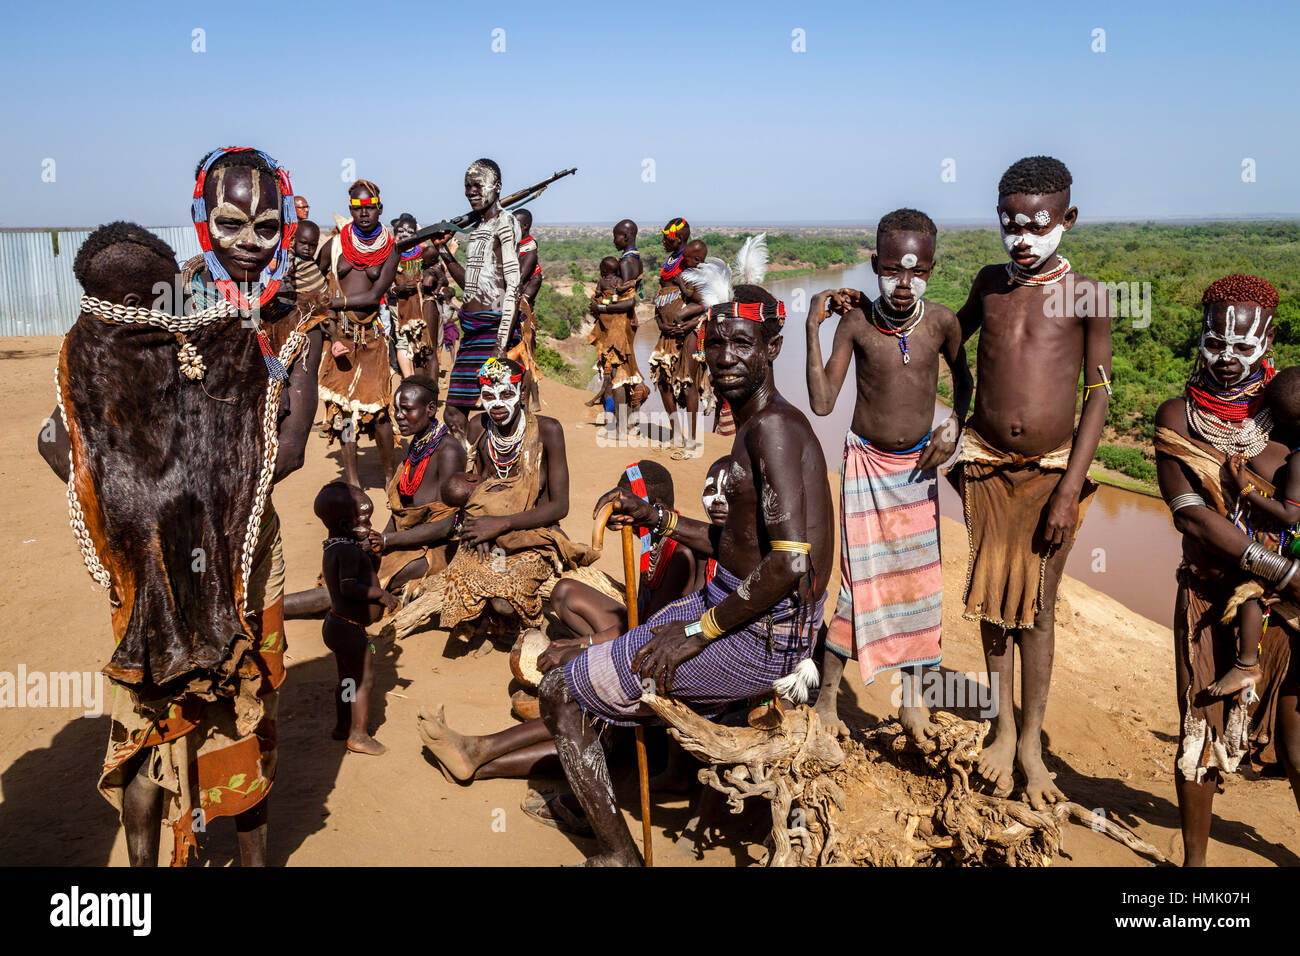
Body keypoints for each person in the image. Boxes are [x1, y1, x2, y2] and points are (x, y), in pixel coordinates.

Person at [37, 146, 323, 867]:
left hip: (249, 549)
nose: (250, 245)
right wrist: (127, 499)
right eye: (232, 224)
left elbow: (285, 453)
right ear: (203, 220)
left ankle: (250, 859)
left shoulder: (299, 320)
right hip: (157, 549)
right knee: (156, 704)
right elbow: (66, 434)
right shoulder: (163, 299)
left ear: (287, 221)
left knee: (251, 698)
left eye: (267, 226)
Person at [537, 282, 834, 865]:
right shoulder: (757, 424)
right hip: (737, 605)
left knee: (560, 693)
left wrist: (700, 632)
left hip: (761, 637)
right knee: (619, 651)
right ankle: (598, 791)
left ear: (773, 348)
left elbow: (789, 561)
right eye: (716, 343)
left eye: (742, 344)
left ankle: (621, 855)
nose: (724, 357)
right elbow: (740, 544)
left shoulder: (773, 428)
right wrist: (660, 517)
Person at [951, 156, 1111, 809]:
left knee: (1038, 608)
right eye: (1009, 223)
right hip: (984, 463)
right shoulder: (990, 282)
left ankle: (1033, 746)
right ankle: (1000, 727)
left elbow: (1099, 393)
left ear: (1066, 220)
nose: (1021, 236)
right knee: (993, 601)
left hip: (1051, 474)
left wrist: (1072, 487)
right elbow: (945, 338)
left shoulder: (1087, 295)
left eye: (1037, 225)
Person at [415, 459, 722, 792]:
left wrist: (585, 646)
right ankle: (476, 753)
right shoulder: (657, 545)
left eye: (621, 501)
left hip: (664, 662)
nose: (614, 509)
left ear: (649, 505)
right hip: (649, 645)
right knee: (578, 681)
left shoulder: (681, 555)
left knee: (582, 703)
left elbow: (649, 633)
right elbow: (644, 621)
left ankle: (480, 755)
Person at [804, 208, 974, 745]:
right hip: (866, 470)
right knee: (859, 590)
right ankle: (829, 697)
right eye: (893, 271)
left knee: (921, 589)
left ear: (931, 268)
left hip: (919, 470)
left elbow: (966, 384)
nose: (904, 284)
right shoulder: (856, 324)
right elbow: (822, 402)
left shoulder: (943, 323)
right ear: (874, 262)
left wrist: (953, 429)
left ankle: (913, 702)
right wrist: (813, 326)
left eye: (917, 271)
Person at [1154, 273, 1300, 865]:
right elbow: (1191, 517)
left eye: (1243, 346)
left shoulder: (1289, 415)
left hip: (1289, 612)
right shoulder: (1178, 418)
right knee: (1200, 728)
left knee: (1296, 738)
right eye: (1217, 341)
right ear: (1201, 337)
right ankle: (1194, 871)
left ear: (1267, 341)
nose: (1227, 357)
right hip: (1209, 598)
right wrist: (1282, 571)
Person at [437, 357, 595, 646]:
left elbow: (560, 506)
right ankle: (491, 625)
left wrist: (500, 524)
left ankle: (523, 627)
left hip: (535, 534)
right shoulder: (478, 427)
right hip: (488, 530)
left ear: (522, 393)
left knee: (503, 599)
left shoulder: (548, 431)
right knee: (465, 576)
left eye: (506, 394)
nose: (497, 404)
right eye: (488, 396)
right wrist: (476, 526)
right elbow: (472, 492)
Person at [283, 374, 464, 618]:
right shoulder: (419, 443)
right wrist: (377, 541)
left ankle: (267, 612)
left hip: (432, 549)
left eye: (407, 409)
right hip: (403, 540)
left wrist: (387, 542)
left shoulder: (448, 451)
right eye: (396, 409)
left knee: (351, 583)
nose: (399, 416)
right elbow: (401, 512)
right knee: (347, 560)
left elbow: (445, 525)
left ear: (431, 409)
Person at [1211, 366, 1300, 696]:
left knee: (1251, 589)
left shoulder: (1296, 463)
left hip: (1292, 546)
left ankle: (1247, 664)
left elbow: (1290, 515)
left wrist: (1246, 489)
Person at [317, 179, 401, 488]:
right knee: (346, 414)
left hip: (372, 337)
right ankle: (352, 482)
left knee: (379, 412)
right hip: (341, 336)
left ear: (379, 207)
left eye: (368, 207)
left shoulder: (390, 250)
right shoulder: (336, 244)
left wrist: (336, 302)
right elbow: (316, 279)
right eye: (356, 207)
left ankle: (390, 475)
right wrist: (328, 323)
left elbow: (374, 295)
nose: (363, 213)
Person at [433, 159, 523, 439]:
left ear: (496, 188)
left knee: (495, 410)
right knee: (453, 413)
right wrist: (444, 252)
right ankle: (473, 462)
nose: (471, 191)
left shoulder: (505, 224)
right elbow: (470, 288)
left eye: (477, 185)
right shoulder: (477, 230)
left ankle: (494, 469)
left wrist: (500, 345)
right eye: (467, 186)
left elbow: (514, 288)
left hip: (494, 330)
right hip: (470, 332)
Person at [317, 482, 399, 756]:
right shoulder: (349, 552)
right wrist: (381, 594)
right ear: (343, 523)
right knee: (363, 680)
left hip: (336, 624)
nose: (369, 524)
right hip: (350, 630)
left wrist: (371, 555)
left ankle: (342, 726)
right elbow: (348, 587)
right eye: (363, 520)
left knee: (346, 679)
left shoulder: (336, 546)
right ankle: (359, 735)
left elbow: (359, 572)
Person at [649, 217, 707, 454]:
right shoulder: (672, 261)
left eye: (667, 237)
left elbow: (704, 301)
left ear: (680, 238)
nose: (663, 241)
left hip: (689, 331)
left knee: (687, 381)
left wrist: (686, 324)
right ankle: (675, 433)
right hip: (667, 331)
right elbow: (661, 298)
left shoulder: (692, 262)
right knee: (663, 380)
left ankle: (692, 440)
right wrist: (662, 323)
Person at [587, 219, 647, 428]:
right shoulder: (632, 258)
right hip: (622, 322)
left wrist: (600, 308)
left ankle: (622, 425)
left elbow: (629, 301)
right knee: (626, 369)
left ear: (627, 236)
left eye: (617, 236)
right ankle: (631, 419)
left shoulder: (626, 262)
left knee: (618, 373)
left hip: (620, 324)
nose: (614, 240)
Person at [389, 213, 441, 382]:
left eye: (409, 232)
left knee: (423, 342)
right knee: (403, 341)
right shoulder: (390, 254)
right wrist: (398, 288)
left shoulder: (422, 253)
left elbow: (440, 276)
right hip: (399, 305)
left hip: (420, 305)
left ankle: (422, 381)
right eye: (400, 232)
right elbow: (383, 286)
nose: (404, 235)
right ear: (395, 233)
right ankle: (409, 379)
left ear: (416, 235)